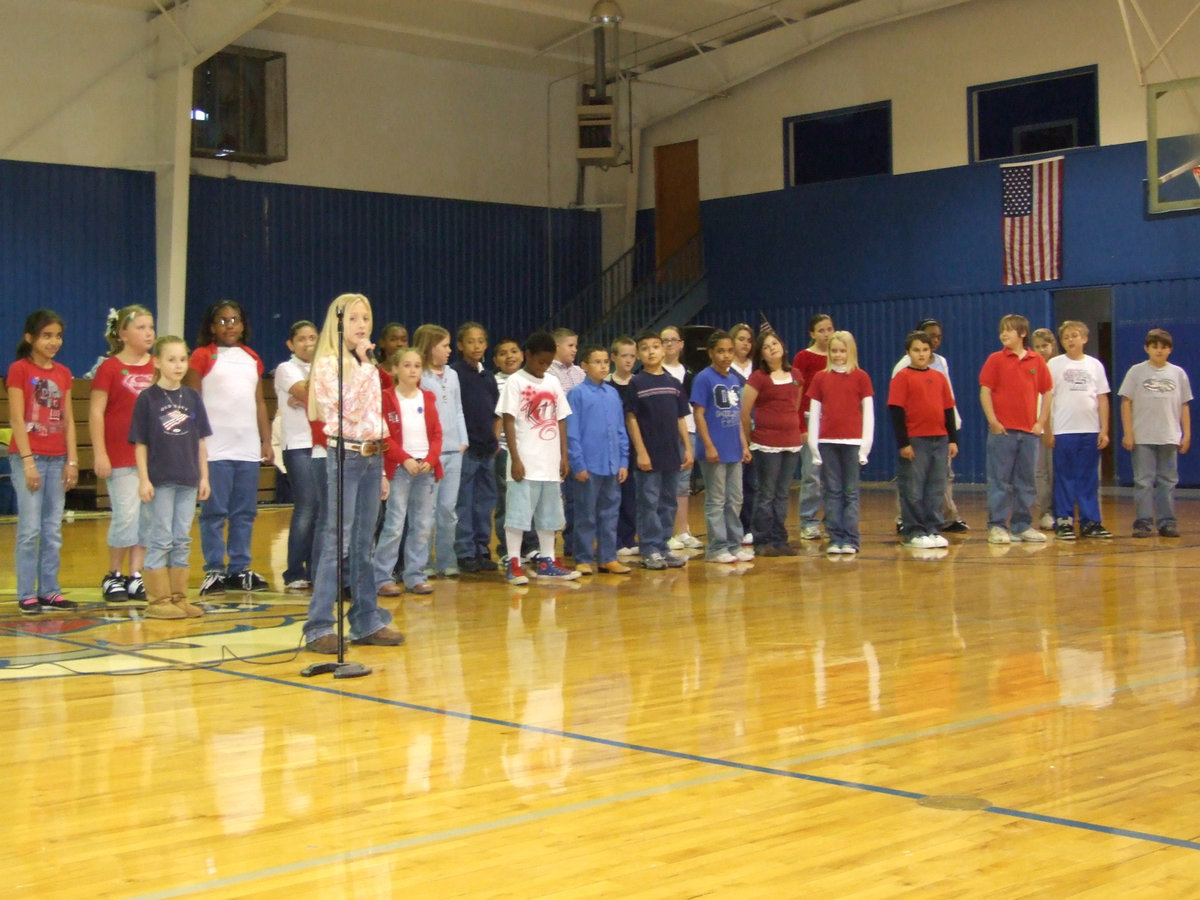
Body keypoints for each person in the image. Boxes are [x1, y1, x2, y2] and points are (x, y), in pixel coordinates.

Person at [303, 292, 405, 653]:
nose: (362, 326)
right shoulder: (331, 363)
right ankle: (318, 626)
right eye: (355, 319)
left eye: (366, 318)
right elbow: (344, 409)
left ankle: (365, 620)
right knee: (338, 541)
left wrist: (381, 471)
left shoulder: (366, 366)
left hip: (371, 457)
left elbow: (374, 418)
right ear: (339, 323)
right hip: (344, 457)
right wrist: (364, 366)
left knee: (364, 543)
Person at [184, 300, 273, 594]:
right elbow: (193, 400)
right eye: (222, 321)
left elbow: (259, 402)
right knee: (214, 512)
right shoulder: (201, 356)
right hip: (215, 448)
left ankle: (239, 568)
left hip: (246, 449)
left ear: (243, 324)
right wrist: (196, 443)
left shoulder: (252, 358)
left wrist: (266, 439)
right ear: (211, 327)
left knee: (244, 512)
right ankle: (213, 570)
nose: (229, 325)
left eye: (235, 320)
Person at [129, 336, 212, 619]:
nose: (178, 365)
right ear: (157, 362)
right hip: (161, 479)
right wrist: (144, 479)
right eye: (171, 359)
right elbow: (141, 443)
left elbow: (201, 441)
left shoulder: (192, 398)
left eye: (182, 359)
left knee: (182, 538)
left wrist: (204, 477)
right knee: (161, 537)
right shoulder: (147, 399)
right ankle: (158, 600)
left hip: (188, 479)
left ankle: (179, 597)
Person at [6, 309, 79, 613]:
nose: (54, 341)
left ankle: (50, 589)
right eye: (47, 335)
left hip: (57, 457)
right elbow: (16, 417)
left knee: (52, 528)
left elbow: (69, 420)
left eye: (58, 336)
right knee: (30, 529)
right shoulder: (19, 370)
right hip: (30, 456)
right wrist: (27, 461)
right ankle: (26, 593)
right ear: (30, 338)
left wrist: (72, 461)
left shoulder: (63, 374)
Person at [496, 331, 579, 583]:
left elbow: (561, 419)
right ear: (527, 355)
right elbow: (508, 421)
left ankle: (547, 561)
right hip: (526, 461)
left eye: (548, 362)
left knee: (549, 515)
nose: (543, 367)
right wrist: (516, 458)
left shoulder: (553, 383)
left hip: (549, 462)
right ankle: (513, 562)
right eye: (539, 362)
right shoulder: (516, 382)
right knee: (518, 515)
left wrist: (564, 455)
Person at [89, 304, 156, 603]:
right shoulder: (110, 368)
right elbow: (95, 412)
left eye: (151, 327)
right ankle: (113, 574)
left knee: (147, 519)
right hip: (120, 455)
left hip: (152, 458)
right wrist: (100, 453)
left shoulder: (157, 366)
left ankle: (135, 574)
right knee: (126, 516)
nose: (148, 332)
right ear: (123, 333)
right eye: (140, 327)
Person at [978, 314, 1053, 545]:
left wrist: (1040, 423)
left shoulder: (1036, 361)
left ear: (1022, 334)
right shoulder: (995, 359)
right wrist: (993, 420)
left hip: (1029, 433)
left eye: (1009, 330)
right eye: (1002, 330)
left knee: (1026, 482)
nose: (1004, 334)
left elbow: (1047, 391)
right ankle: (997, 526)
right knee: (1000, 481)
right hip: (1003, 432)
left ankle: (1022, 525)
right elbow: (985, 391)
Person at [889, 318, 968, 533]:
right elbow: (896, 410)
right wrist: (903, 442)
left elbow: (947, 406)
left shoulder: (939, 373)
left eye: (926, 349)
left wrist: (952, 438)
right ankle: (912, 527)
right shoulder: (902, 374)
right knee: (913, 486)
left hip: (940, 437)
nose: (923, 353)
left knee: (936, 487)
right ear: (909, 352)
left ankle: (933, 528)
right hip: (916, 438)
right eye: (917, 350)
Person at [375, 347, 442, 596]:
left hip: (425, 469)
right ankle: (382, 576)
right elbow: (384, 437)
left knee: (423, 524)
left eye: (416, 365)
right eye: (406, 365)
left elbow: (437, 434)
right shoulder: (386, 398)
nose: (413, 370)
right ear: (394, 369)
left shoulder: (428, 397)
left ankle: (415, 574)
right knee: (394, 523)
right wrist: (405, 459)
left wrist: (431, 458)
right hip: (400, 470)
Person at [625, 329, 693, 570]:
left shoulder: (674, 384)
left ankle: (664, 545)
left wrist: (687, 447)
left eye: (656, 346)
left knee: (668, 502)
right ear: (638, 354)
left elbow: (681, 418)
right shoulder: (636, 383)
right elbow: (631, 419)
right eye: (645, 348)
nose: (651, 351)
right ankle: (650, 548)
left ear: (664, 350)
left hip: (671, 454)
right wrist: (641, 452)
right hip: (648, 455)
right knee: (649, 502)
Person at [1119, 328, 1192, 538]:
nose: (1159, 351)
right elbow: (1126, 402)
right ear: (1147, 348)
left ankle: (1167, 522)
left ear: (1170, 349)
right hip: (1142, 437)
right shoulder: (1136, 371)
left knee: (1167, 480)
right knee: (1143, 480)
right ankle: (1142, 522)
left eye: (1163, 347)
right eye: (1154, 347)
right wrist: (1128, 432)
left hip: (1169, 437)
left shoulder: (1178, 373)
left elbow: (1184, 405)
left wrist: (1186, 434)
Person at [1044, 321, 1112, 540]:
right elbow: (1047, 398)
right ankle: (1063, 520)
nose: (1070, 340)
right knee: (1064, 476)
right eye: (1066, 337)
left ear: (1084, 338)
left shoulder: (1095, 365)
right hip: (1063, 430)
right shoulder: (1054, 364)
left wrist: (1104, 429)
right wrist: (1047, 428)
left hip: (1090, 430)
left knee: (1088, 477)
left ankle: (1090, 521)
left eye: (1075, 336)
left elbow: (1102, 398)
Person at [807, 331, 874, 555]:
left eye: (842, 351)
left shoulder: (861, 377)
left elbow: (869, 415)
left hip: (853, 443)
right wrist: (814, 447)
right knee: (832, 491)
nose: (838, 355)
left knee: (850, 492)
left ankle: (851, 538)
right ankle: (835, 537)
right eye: (834, 351)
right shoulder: (820, 378)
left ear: (850, 351)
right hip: (828, 443)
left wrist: (865, 447)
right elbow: (814, 414)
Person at [566, 345, 631, 575]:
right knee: (585, 514)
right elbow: (571, 432)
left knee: (610, 513)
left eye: (605, 362)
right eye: (597, 362)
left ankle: (608, 557)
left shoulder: (612, 393)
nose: (603, 366)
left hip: (612, 464)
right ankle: (583, 558)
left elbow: (621, 430)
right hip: (589, 465)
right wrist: (578, 463)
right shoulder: (576, 394)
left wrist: (624, 460)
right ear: (584, 366)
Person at [691, 331, 753, 564]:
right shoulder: (704, 378)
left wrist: (743, 445)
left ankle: (734, 544)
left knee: (735, 498)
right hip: (714, 450)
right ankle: (717, 547)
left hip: (733, 449)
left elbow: (736, 417)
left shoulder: (734, 380)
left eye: (729, 351)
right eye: (721, 351)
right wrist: (708, 444)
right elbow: (699, 414)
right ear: (711, 353)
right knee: (716, 500)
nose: (726, 356)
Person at [740, 329, 802, 556]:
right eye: (766, 347)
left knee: (782, 492)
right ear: (762, 355)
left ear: (783, 347)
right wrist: (747, 442)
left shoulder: (795, 375)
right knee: (766, 492)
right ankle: (762, 539)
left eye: (775, 343)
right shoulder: (758, 378)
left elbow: (794, 405)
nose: (772, 348)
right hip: (766, 443)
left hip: (791, 442)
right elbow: (745, 413)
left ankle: (779, 537)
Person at [414, 324, 468, 576]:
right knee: (428, 511)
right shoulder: (419, 376)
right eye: (444, 345)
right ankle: (423, 563)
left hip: (453, 451)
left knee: (448, 510)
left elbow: (457, 409)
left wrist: (462, 440)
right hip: (429, 453)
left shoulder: (453, 375)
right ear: (429, 347)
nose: (449, 350)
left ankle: (447, 560)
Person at [451, 321, 500, 573]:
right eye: (471, 341)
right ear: (460, 345)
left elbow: (496, 412)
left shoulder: (488, 375)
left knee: (485, 502)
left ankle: (482, 547)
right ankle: (465, 550)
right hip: (466, 449)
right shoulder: (455, 374)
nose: (477, 346)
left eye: (481, 340)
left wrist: (495, 439)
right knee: (464, 501)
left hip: (487, 448)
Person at [275, 320, 320, 590]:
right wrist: (306, 394)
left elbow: (336, 395)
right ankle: (294, 571)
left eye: (313, 338)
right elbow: (307, 394)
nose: (308, 343)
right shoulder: (286, 369)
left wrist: (308, 395)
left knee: (322, 508)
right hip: (298, 445)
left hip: (322, 445)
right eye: (301, 338)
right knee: (307, 504)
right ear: (291, 344)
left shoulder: (326, 367)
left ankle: (316, 568)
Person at [661, 325, 702, 552]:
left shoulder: (690, 373)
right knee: (666, 483)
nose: (669, 344)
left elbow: (695, 405)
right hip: (665, 433)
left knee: (683, 484)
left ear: (681, 344)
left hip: (690, 430)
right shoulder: (655, 372)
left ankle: (683, 530)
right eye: (664, 340)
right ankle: (665, 533)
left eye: (673, 340)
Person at [793, 313, 835, 540]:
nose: (827, 334)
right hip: (810, 419)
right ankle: (808, 520)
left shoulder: (838, 355)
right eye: (821, 330)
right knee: (811, 473)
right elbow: (798, 394)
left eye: (830, 329)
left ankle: (832, 519)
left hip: (832, 422)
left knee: (832, 474)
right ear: (812, 333)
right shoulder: (804, 357)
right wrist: (801, 425)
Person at [607, 335, 640, 557]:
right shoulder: (607, 385)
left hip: (635, 447)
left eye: (632, 356)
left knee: (631, 497)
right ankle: (614, 541)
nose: (628, 360)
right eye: (624, 356)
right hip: (612, 447)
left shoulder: (639, 382)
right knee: (612, 497)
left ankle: (629, 538)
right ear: (613, 357)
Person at [728, 321, 757, 544]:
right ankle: (737, 526)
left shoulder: (757, 368)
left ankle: (754, 525)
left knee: (755, 482)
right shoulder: (727, 371)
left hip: (759, 431)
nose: (745, 343)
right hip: (734, 432)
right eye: (741, 339)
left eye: (749, 340)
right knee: (738, 483)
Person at [1030, 328, 1060, 529]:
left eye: (1045, 346)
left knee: (1056, 471)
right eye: (1038, 346)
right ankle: (1045, 512)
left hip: (1060, 426)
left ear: (1053, 346)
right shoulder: (1031, 366)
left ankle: (1060, 511)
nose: (1042, 350)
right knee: (1040, 473)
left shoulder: (1058, 366)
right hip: (1037, 426)